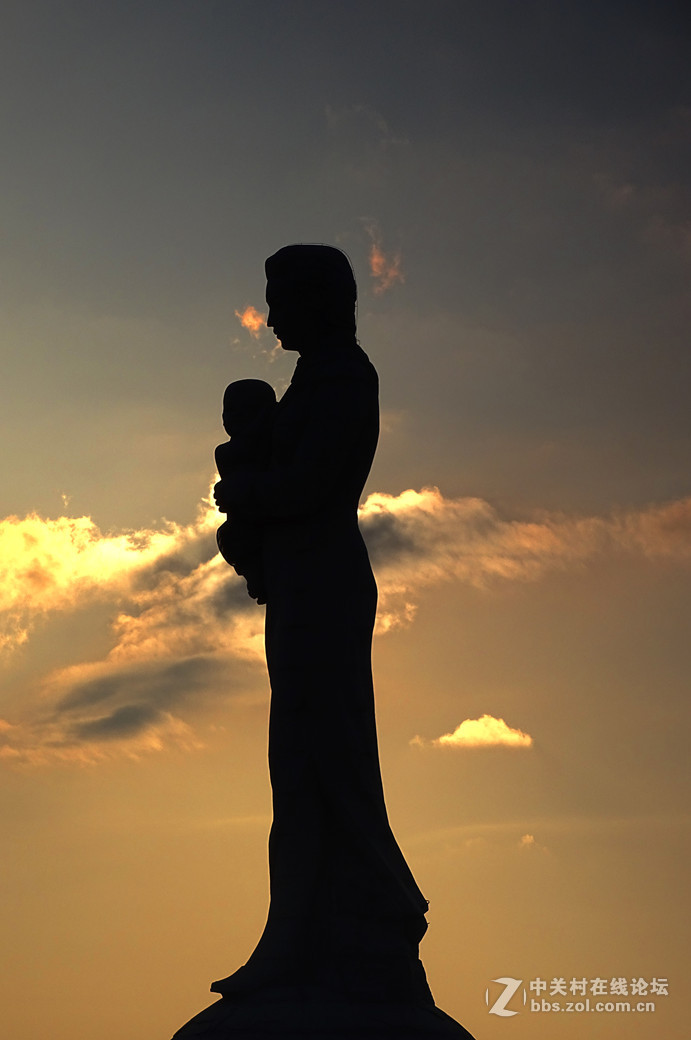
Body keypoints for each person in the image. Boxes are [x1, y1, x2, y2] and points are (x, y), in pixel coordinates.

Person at [212, 244, 431, 1002]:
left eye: (279, 298)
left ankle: (357, 918)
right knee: (299, 763)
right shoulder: (310, 378)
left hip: (327, 581)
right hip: (304, 580)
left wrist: (246, 495)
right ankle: (298, 932)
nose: (269, 316)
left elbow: (313, 484)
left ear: (317, 299)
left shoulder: (343, 377)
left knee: (322, 755)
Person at [214, 378, 277, 604]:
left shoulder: (273, 443)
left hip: (260, 521)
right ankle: (255, 578)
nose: (232, 417)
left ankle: (258, 578)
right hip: (242, 522)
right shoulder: (225, 452)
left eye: (245, 410)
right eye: (228, 411)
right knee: (231, 537)